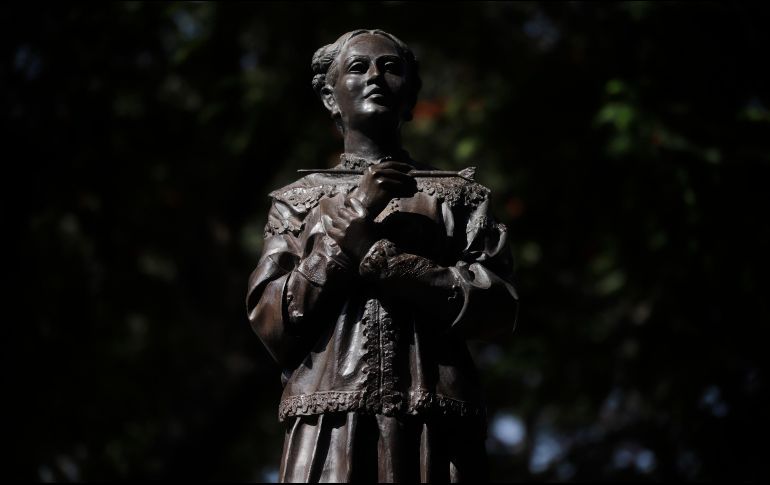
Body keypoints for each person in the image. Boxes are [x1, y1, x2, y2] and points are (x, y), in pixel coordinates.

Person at [246, 29, 518, 482]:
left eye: (391, 67)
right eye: (358, 68)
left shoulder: (459, 198)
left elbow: (498, 306)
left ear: (410, 94)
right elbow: (274, 322)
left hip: (435, 422)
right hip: (328, 424)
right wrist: (353, 216)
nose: (375, 76)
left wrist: (380, 258)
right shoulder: (298, 202)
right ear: (331, 98)